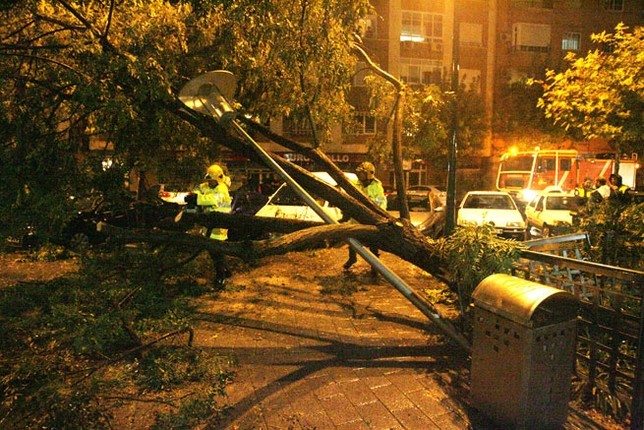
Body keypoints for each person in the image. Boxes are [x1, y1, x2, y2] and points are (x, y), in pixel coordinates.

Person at [342, 161, 387, 276]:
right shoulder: (354, 183)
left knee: (373, 244)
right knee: (352, 240)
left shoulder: (376, 185)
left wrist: (378, 215)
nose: (359, 175)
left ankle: (374, 266)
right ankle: (352, 258)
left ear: (368, 174)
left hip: (370, 220)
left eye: (362, 173)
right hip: (356, 219)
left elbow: (381, 202)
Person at [193, 164, 232, 288]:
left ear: (218, 180)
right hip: (210, 225)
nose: (210, 182)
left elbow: (212, 200)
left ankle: (221, 278)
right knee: (216, 252)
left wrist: (197, 199)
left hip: (219, 226)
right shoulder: (207, 186)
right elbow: (196, 191)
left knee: (217, 253)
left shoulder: (222, 189)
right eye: (208, 180)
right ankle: (226, 272)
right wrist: (194, 195)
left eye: (212, 180)